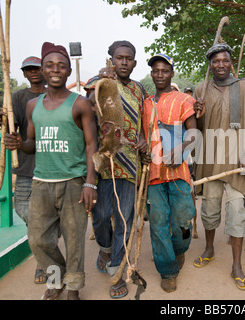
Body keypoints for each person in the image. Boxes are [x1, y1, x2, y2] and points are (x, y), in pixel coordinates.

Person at [3, 42, 98, 300]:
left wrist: (91, 182)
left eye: (61, 66)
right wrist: (19, 144)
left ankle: (73, 288)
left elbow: (92, 144)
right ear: (43, 71)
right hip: (41, 182)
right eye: (50, 65)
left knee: (74, 239)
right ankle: (58, 278)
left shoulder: (80, 104)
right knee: (38, 240)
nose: (56, 70)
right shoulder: (33, 106)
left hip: (74, 182)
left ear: (68, 72)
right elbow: (32, 144)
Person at [84, 40, 148, 299]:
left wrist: (143, 138)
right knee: (100, 216)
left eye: (129, 58)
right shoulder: (98, 81)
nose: (124, 62)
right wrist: (102, 81)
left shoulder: (139, 89)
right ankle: (104, 246)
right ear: (111, 59)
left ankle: (117, 272)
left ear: (134, 62)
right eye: (119, 57)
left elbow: (142, 118)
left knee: (125, 219)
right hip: (104, 161)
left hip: (131, 162)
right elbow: (88, 107)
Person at [192, 43, 245, 290]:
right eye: (215, 61)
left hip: (236, 165)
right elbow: (195, 130)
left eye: (224, 60)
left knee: (237, 215)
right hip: (209, 163)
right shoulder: (201, 89)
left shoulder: (244, 88)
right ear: (210, 64)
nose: (220, 64)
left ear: (231, 62)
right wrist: (197, 115)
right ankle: (209, 249)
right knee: (209, 212)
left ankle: (237, 265)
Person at [141, 53, 197, 293]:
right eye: (156, 71)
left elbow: (194, 134)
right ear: (152, 74)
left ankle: (180, 250)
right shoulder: (145, 104)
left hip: (179, 173)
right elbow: (141, 135)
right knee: (158, 223)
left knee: (183, 220)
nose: (160, 74)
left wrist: (181, 149)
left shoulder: (184, 100)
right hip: (153, 175)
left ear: (172, 73)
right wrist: (143, 146)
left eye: (164, 70)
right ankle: (167, 270)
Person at [10, 56, 47, 283]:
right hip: (25, 165)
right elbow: (13, 126)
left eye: (36, 68)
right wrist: (7, 125)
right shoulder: (18, 98)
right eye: (28, 69)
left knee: (47, 215)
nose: (33, 72)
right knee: (24, 210)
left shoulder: (52, 96)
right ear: (24, 74)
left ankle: (43, 264)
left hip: (48, 166)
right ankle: (44, 239)